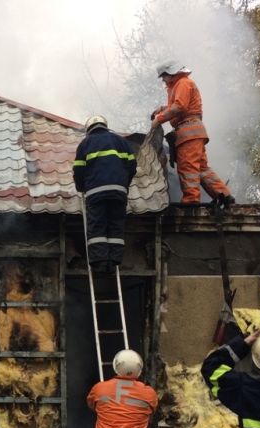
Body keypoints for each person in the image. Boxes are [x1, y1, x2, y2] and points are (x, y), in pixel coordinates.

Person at [150, 59, 236, 207]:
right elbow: (181, 104)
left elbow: (180, 107)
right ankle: (224, 195)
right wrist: (163, 108)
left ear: (171, 72)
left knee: (187, 167)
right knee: (201, 168)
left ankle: (191, 201)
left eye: (164, 76)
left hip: (189, 132)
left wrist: (160, 119)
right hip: (193, 132)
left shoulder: (182, 83)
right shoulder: (181, 84)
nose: (163, 80)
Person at [73, 115, 137, 274]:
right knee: (116, 225)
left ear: (88, 129)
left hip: (96, 193)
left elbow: (79, 170)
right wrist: (124, 185)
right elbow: (132, 166)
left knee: (97, 226)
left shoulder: (85, 144)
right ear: (105, 125)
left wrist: (81, 187)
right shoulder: (121, 141)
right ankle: (114, 261)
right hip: (119, 193)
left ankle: (100, 263)